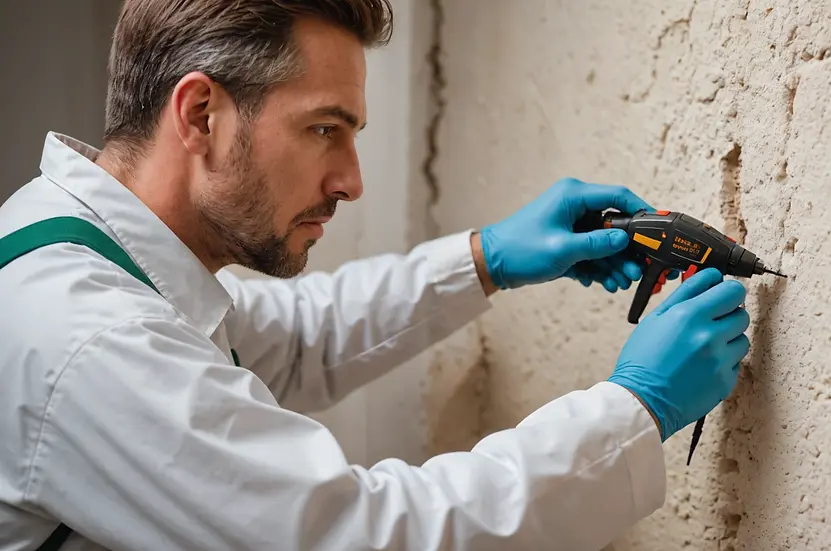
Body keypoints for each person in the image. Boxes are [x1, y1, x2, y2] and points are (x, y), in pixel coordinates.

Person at [0, 1, 750, 549]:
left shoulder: (101, 255)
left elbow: (292, 340)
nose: (351, 181)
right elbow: (358, 536)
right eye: (324, 128)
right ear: (200, 114)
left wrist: (486, 257)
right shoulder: (89, 339)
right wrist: (634, 408)